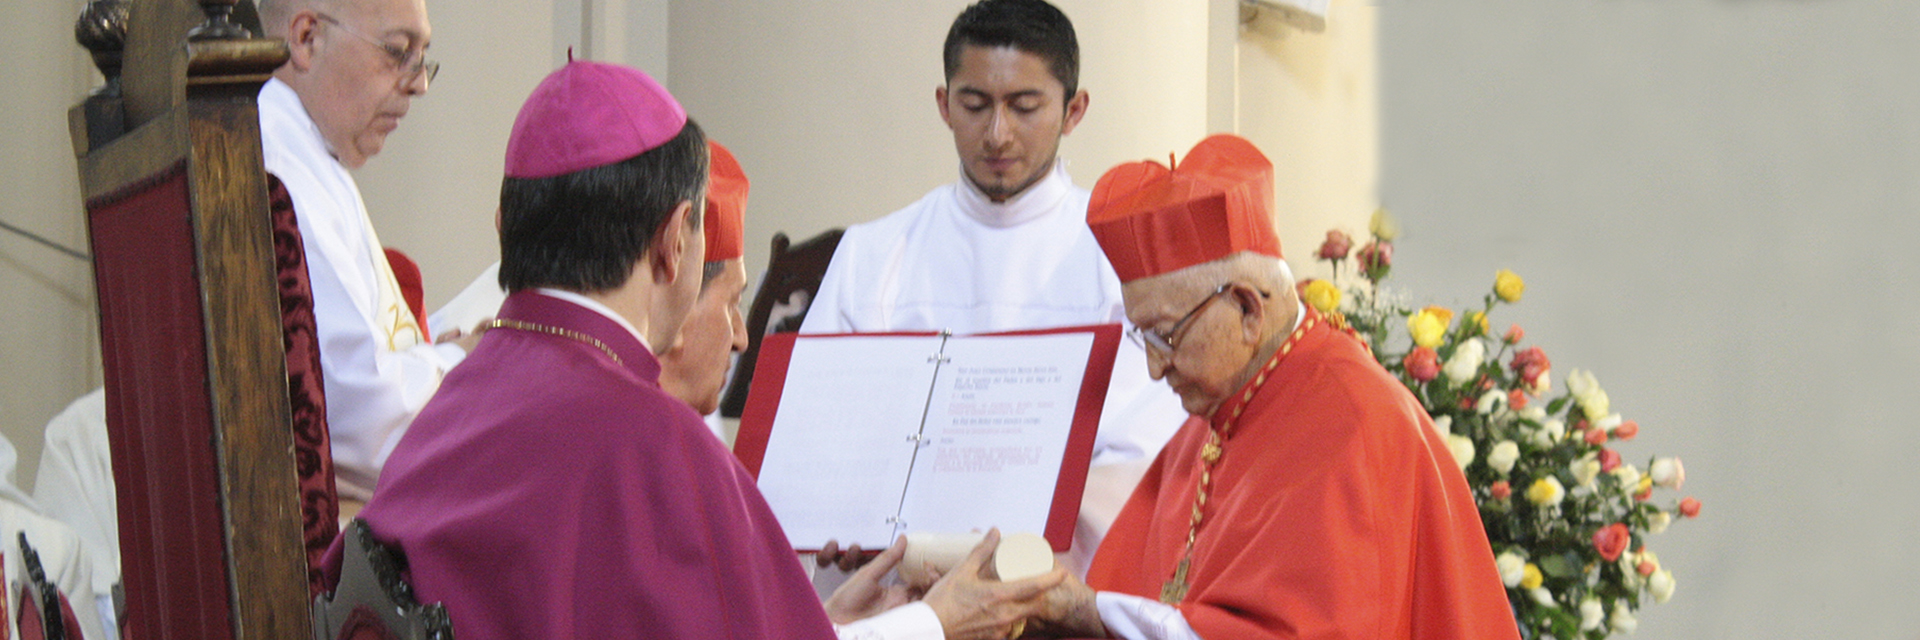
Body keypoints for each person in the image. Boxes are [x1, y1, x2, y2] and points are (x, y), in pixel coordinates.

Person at [336, 59, 1064, 640]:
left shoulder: (459, 392)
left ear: (508, 226)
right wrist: (934, 624)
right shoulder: (649, 440)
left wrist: (824, 621)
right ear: (675, 240)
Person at [1021, 134, 1521, 640]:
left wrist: (1095, 615)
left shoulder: (1350, 422)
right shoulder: (1220, 411)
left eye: (1165, 335)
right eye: (1141, 335)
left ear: (1246, 308)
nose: (1154, 366)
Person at [800, 0, 1186, 575]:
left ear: (1073, 110)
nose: (997, 134)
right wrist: (842, 512)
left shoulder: (1121, 258)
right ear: (943, 104)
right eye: (975, 105)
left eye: (1025, 106)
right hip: (901, 585)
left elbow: (1147, 448)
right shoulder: (873, 253)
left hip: (1057, 582)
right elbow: (817, 428)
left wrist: (1001, 536)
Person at [258, 0, 477, 500]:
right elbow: (364, 423)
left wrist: (443, 349)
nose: (419, 83)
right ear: (307, 37)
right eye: (398, 51)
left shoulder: (306, 154)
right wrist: (466, 364)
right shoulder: (280, 175)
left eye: (422, 58)